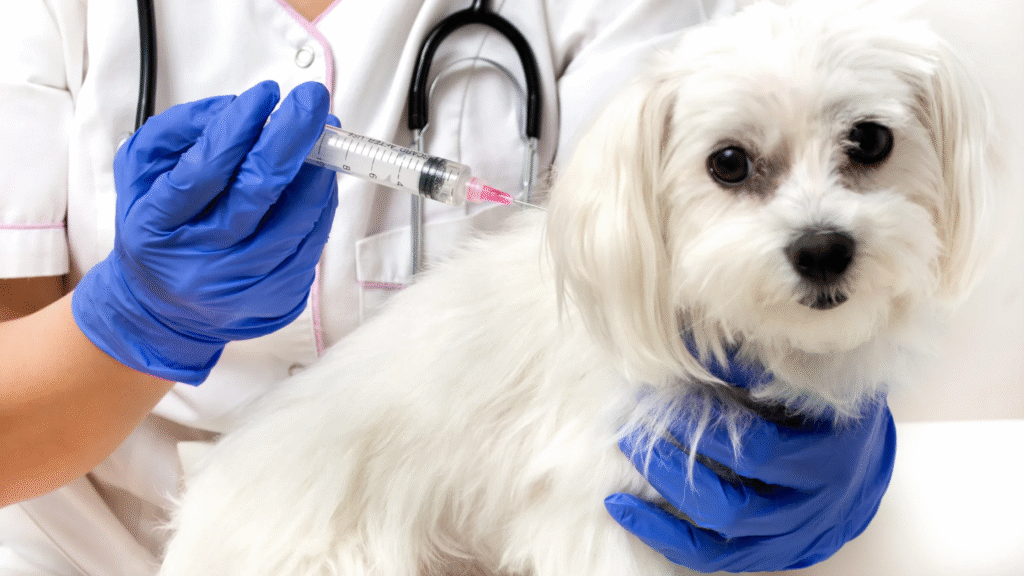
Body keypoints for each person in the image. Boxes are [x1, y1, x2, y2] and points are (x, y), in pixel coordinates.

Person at [0, 0, 896, 573]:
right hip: (91, 547)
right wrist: (132, 318)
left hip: (500, 543)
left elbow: (671, 250)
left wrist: (834, 414)